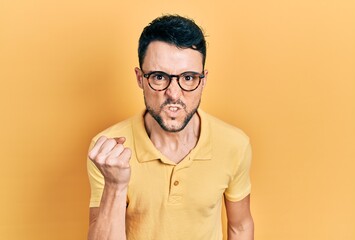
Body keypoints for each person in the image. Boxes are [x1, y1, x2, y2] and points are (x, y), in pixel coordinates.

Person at [87, 14, 254, 240]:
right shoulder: (107, 151)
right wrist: (115, 185)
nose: (174, 94)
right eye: (158, 77)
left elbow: (240, 226)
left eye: (188, 78)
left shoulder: (234, 144)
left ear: (203, 80)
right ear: (139, 78)